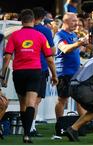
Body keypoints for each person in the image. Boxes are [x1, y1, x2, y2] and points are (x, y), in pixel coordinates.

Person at [1, 9, 58, 143]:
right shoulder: (40, 36)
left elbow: (7, 57)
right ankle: (27, 134)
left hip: (19, 72)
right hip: (35, 71)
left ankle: (26, 132)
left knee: (22, 104)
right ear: (33, 20)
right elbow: (50, 59)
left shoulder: (15, 36)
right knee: (31, 103)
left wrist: (3, 74)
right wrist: (54, 75)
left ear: (21, 21)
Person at [54, 12, 88, 120]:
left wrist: (85, 45)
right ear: (65, 21)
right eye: (73, 21)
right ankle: (60, 124)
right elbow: (64, 49)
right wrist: (79, 43)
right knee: (62, 100)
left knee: (80, 99)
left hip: (76, 72)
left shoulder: (73, 35)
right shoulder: (59, 35)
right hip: (64, 73)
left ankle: (84, 123)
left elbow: (76, 51)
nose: (76, 23)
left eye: (76, 21)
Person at [30, 7, 56, 137]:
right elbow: (52, 52)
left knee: (26, 100)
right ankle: (31, 127)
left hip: (22, 67)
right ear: (42, 17)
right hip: (40, 68)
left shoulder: (23, 30)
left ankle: (28, 126)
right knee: (35, 100)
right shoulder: (45, 30)